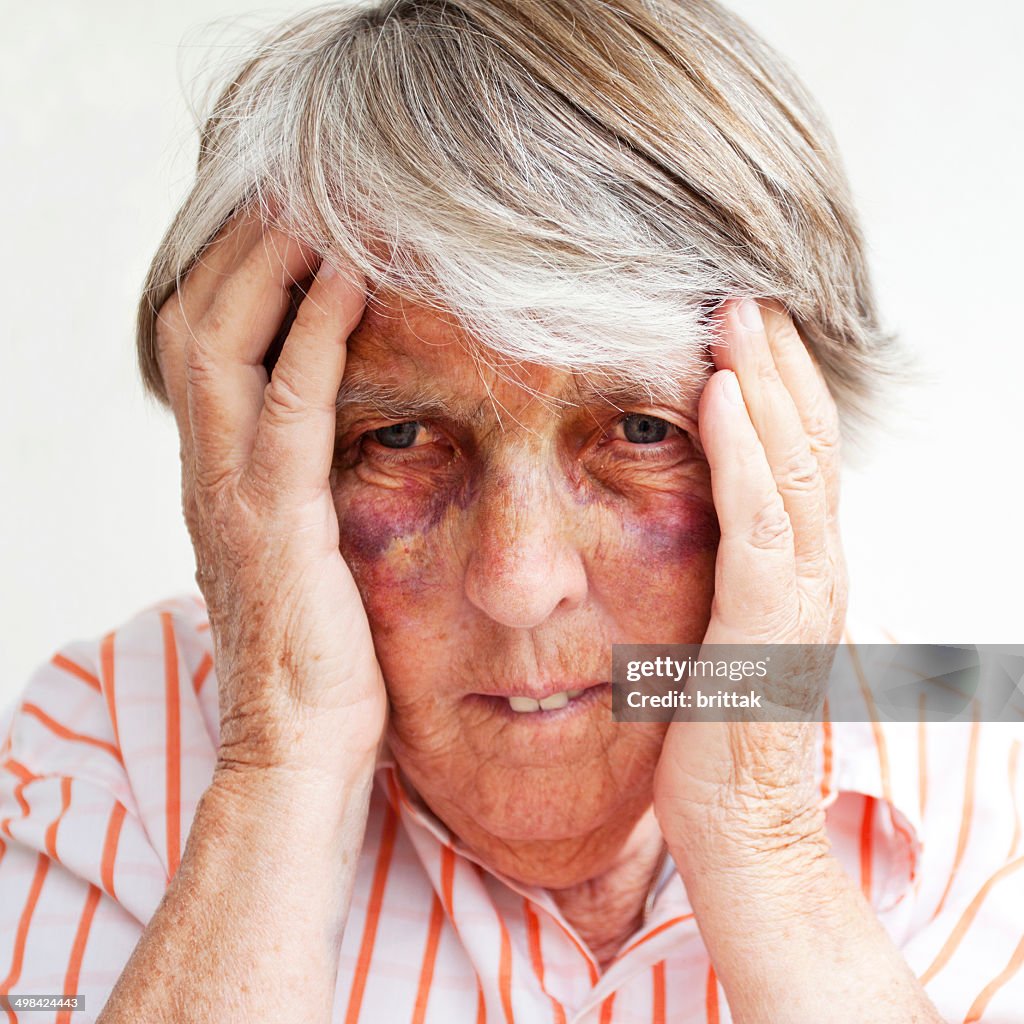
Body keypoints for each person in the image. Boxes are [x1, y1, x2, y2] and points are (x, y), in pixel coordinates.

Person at [1, 1, 1021, 1021]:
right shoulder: (111, 745)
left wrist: (764, 839)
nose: (521, 582)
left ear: (793, 434)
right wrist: (283, 764)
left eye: (637, 428)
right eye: (396, 439)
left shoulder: (980, 752)